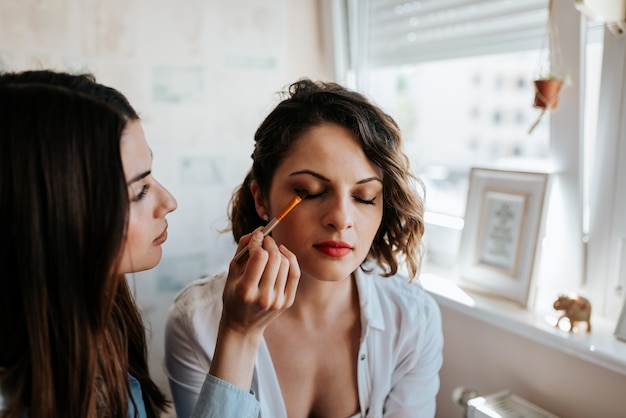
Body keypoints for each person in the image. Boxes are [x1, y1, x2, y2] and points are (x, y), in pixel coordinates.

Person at [0, 70, 300, 418]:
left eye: (366, 196)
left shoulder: (98, 330)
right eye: (139, 190)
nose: (169, 201)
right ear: (56, 213)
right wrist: (241, 334)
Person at [165, 78, 444, 418]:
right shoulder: (196, 321)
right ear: (261, 199)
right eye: (310, 191)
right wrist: (238, 334)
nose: (341, 218)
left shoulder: (412, 319)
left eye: (364, 197)